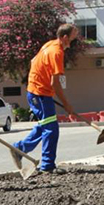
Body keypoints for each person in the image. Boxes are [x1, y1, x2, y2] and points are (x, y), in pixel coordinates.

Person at [12, 24, 78, 174]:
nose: (74, 41)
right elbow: (55, 83)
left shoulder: (49, 44)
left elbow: (33, 61)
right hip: (40, 94)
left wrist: (40, 81)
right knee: (51, 129)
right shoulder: (57, 52)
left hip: (38, 92)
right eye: (73, 37)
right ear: (65, 37)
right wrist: (66, 104)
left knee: (45, 125)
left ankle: (19, 148)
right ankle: (47, 165)